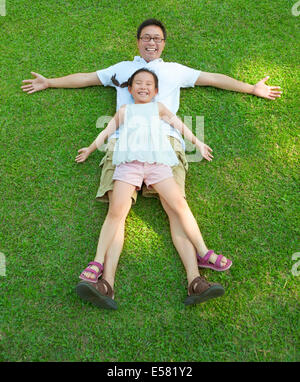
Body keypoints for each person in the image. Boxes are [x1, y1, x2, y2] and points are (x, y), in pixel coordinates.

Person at [21, 18, 282, 307]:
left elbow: (213, 78)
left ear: (164, 44)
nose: (152, 43)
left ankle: (196, 280)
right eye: (147, 37)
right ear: (137, 41)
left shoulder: (174, 71)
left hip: (165, 145)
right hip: (124, 146)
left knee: (176, 206)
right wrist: (50, 83)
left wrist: (250, 88)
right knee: (117, 210)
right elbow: (87, 77)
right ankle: (105, 283)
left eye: (157, 39)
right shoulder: (121, 69)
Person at [75, 68, 232, 309]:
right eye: (138, 83)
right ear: (129, 89)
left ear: (156, 91)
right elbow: (106, 132)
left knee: (179, 204)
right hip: (129, 164)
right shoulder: (125, 110)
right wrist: (89, 148)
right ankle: (97, 263)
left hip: (158, 164)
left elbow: (179, 126)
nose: (143, 87)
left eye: (149, 84)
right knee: (116, 213)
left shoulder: (158, 108)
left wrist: (198, 143)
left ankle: (203, 252)